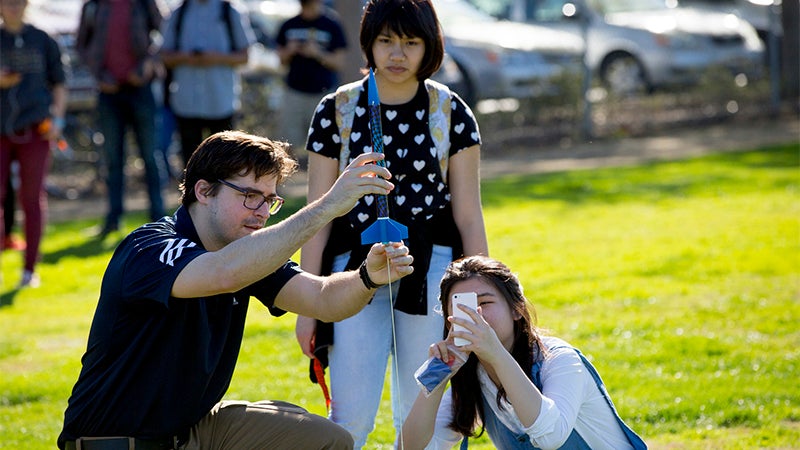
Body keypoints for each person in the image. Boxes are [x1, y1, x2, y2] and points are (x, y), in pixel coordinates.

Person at [58, 130, 415, 449]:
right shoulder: (150, 247)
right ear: (203, 190)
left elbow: (324, 299)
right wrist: (326, 208)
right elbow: (223, 273)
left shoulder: (245, 252)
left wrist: (368, 276)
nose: (262, 212)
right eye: (250, 195)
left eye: (270, 200)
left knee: (326, 440)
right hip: (117, 440)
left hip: (194, 430)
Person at [294, 0, 488, 447]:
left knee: (431, 413)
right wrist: (308, 305)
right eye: (385, 41)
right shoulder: (336, 110)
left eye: (410, 42)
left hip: (435, 272)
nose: (397, 55)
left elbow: (467, 213)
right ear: (368, 42)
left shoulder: (451, 111)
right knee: (349, 415)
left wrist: (479, 294)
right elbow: (317, 216)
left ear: (430, 46)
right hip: (351, 272)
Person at [399, 256, 649, 450]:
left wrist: (496, 353)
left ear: (516, 309)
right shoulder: (472, 375)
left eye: (484, 303)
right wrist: (438, 377)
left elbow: (551, 436)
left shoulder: (559, 359)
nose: (477, 315)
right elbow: (411, 447)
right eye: (463, 307)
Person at [75, 0, 166, 237]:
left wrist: (148, 64)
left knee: (150, 156)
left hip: (141, 89)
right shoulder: (93, 6)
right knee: (113, 159)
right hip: (108, 92)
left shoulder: (145, 3)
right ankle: (113, 218)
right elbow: (81, 46)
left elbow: (165, 34)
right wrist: (98, 75)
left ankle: (159, 218)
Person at [1, 0, 67, 287]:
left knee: (32, 197)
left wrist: (58, 121)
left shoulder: (43, 38)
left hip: (35, 129)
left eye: (18, 1)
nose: (12, 7)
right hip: (1, 128)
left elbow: (60, 83)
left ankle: (29, 270)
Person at [159, 0, 254, 167]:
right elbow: (164, 55)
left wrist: (216, 58)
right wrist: (186, 58)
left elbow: (245, 56)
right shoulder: (178, 13)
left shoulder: (230, 11)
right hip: (186, 102)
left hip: (221, 102)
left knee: (225, 166)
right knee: (190, 166)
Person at [275, 0, 347, 158]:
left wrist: (317, 53)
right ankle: (287, 180)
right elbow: (280, 60)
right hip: (294, 92)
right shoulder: (289, 24)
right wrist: (290, 50)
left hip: (323, 94)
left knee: (325, 142)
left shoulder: (331, 24)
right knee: (286, 143)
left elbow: (340, 62)